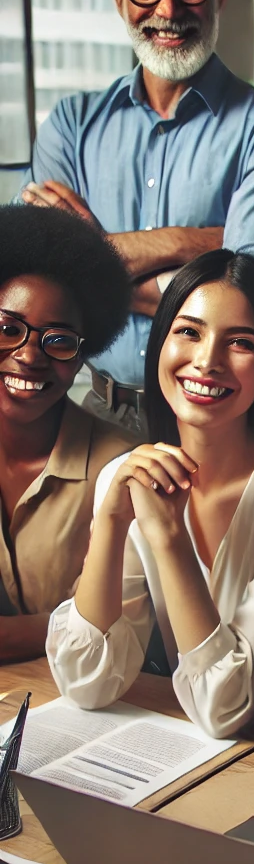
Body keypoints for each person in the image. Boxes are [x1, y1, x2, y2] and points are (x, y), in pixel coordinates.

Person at [46, 251, 254, 738]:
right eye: (188, 332)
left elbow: (230, 710)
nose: (207, 361)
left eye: (241, 342)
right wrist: (113, 524)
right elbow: (85, 684)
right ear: (160, 346)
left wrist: (167, 537)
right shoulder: (126, 476)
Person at [21, 0, 254, 434]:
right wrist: (213, 244)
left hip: (223, 420)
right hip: (96, 413)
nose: (169, 9)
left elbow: (252, 289)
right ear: (121, 0)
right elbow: (41, 276)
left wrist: (99, 258)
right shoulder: (71, 126)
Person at [0, 206, 133, 662]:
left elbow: (98, 626)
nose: (29, 356)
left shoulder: (119, 467)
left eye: (57, 340)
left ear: (82, 356)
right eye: (8, 329)